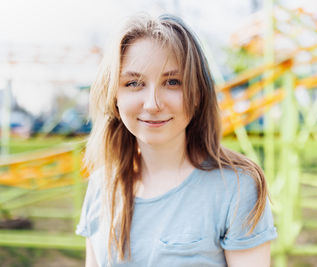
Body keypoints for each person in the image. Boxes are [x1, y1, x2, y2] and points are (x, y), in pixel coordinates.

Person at [76, 13, 277, 267]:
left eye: (172, 82)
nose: (152, 104)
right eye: (134, 83)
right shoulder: (101, 187)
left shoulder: (237, 189)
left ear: (197, 92)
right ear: (114, 94)